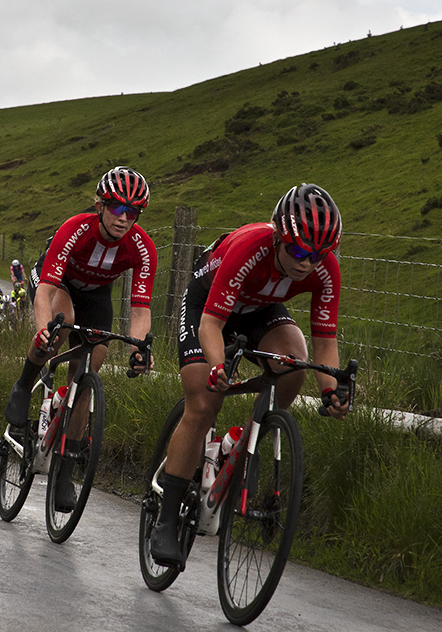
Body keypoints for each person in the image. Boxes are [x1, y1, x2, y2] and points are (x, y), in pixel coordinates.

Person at [148, 183, 350, 568]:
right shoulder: (249, 247)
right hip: (209, 306)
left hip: (259, 307)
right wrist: (220, 366)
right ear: (278, 236)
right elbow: (211, 323)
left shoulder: (324, 269)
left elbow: (325, 340)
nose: (306, 262)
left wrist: (332, 391)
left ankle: (242, 439)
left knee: (295, 365)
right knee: (205, 401)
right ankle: (167, 517)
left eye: (319, 254)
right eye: (298, 250)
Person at [3, 166, 158, 508]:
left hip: (96, 294)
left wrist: (138, 348)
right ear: (100, 206)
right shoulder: (77, 229)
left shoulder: (142, 247)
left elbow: (140, 309)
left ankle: (65, 471)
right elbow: (45, 292)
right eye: (116, 208)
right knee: (63, 323)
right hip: (57, 282)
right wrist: (43, 330)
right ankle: (24, 382)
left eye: (132, 212)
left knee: (91, 365)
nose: (123, 218)